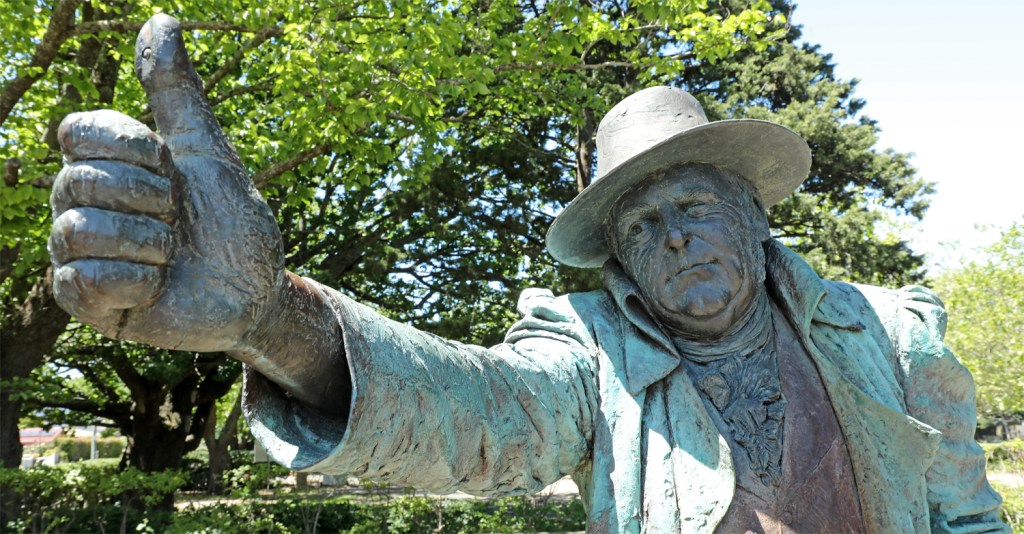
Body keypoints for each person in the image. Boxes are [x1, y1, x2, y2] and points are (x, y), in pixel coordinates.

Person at [49, 14, 1006, 533]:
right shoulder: (591, 354)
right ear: (619, 258)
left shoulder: (892, 336)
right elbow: (474, 412)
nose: (675, 239)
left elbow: (967, 520)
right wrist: (269, 318)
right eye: (644, 225)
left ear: (754, 217)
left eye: (695, 207)